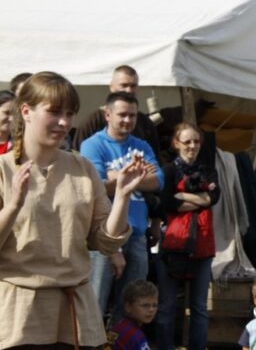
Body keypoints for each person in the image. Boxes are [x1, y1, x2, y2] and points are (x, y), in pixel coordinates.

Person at [0, 71, 146, 348]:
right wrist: (13, 206)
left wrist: (123, 196)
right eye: (54, 112)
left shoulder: (82, 168)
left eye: (70, 113)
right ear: (26, 111)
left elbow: (104, 241)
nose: (64, 122)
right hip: (18, 315)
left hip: (75, 313)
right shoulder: (3, 170)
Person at [80, 91, 164, 325]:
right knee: (95, 304)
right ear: (107, 114)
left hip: (137, 235)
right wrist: (134, 177)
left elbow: (158, 181)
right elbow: (95, 188)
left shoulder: (142, 145)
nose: (127, 120)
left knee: (131, 311)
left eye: (133, 116)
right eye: (122, 115)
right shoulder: (92, 145)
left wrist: (114, 178)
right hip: (104, 238)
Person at [155, 122, 220, 350]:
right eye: (187, 141)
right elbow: (167, 203)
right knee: (167, 305)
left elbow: (214, 198)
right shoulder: (168, 171)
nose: (192, 146)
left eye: (196, 141)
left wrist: (183, 195)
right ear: (176, 143)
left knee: (200, 308)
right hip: (174, 245)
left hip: (202, 247)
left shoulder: (207, 169)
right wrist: (199, 199)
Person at [72, 65, 160, 156]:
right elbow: (76, 157)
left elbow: (155, 160)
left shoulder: (146, 124)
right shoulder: (92, 122)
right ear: (111, 87)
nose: (129, 90)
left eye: (133, 86)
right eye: (124, 85)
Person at [108, 279, 158, 350]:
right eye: (145, 305)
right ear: (128, 306)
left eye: (155, 305)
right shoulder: (136, 336)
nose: (151, 310)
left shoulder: (117, 327)